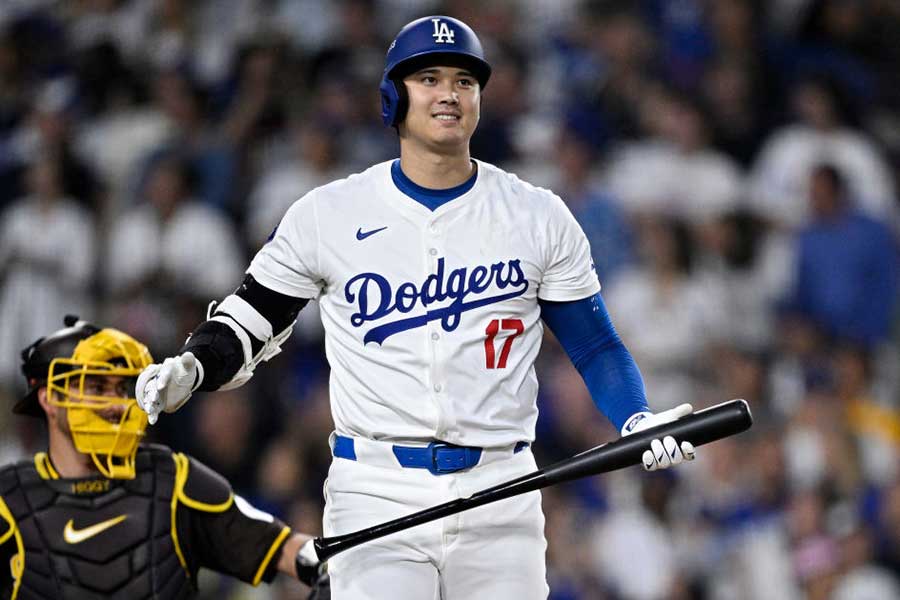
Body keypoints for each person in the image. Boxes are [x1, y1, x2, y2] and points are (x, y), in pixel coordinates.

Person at [137, 16, 697, 599]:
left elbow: (595, 345)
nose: (449, 93)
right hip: (377, 488)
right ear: (392, 96)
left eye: (464, 80)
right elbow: (252, 317)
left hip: (501, 489)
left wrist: (636, 417)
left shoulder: (537, 215)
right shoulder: (329, 212)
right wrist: (196, 363)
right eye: (428, 77)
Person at [0, 316, 328, 599]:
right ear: (50, 398)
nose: (115, 404)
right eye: (98, 388)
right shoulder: (8, 500)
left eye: (122, 389)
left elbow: (286, 550)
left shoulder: (174, 482)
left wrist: (343, 570)